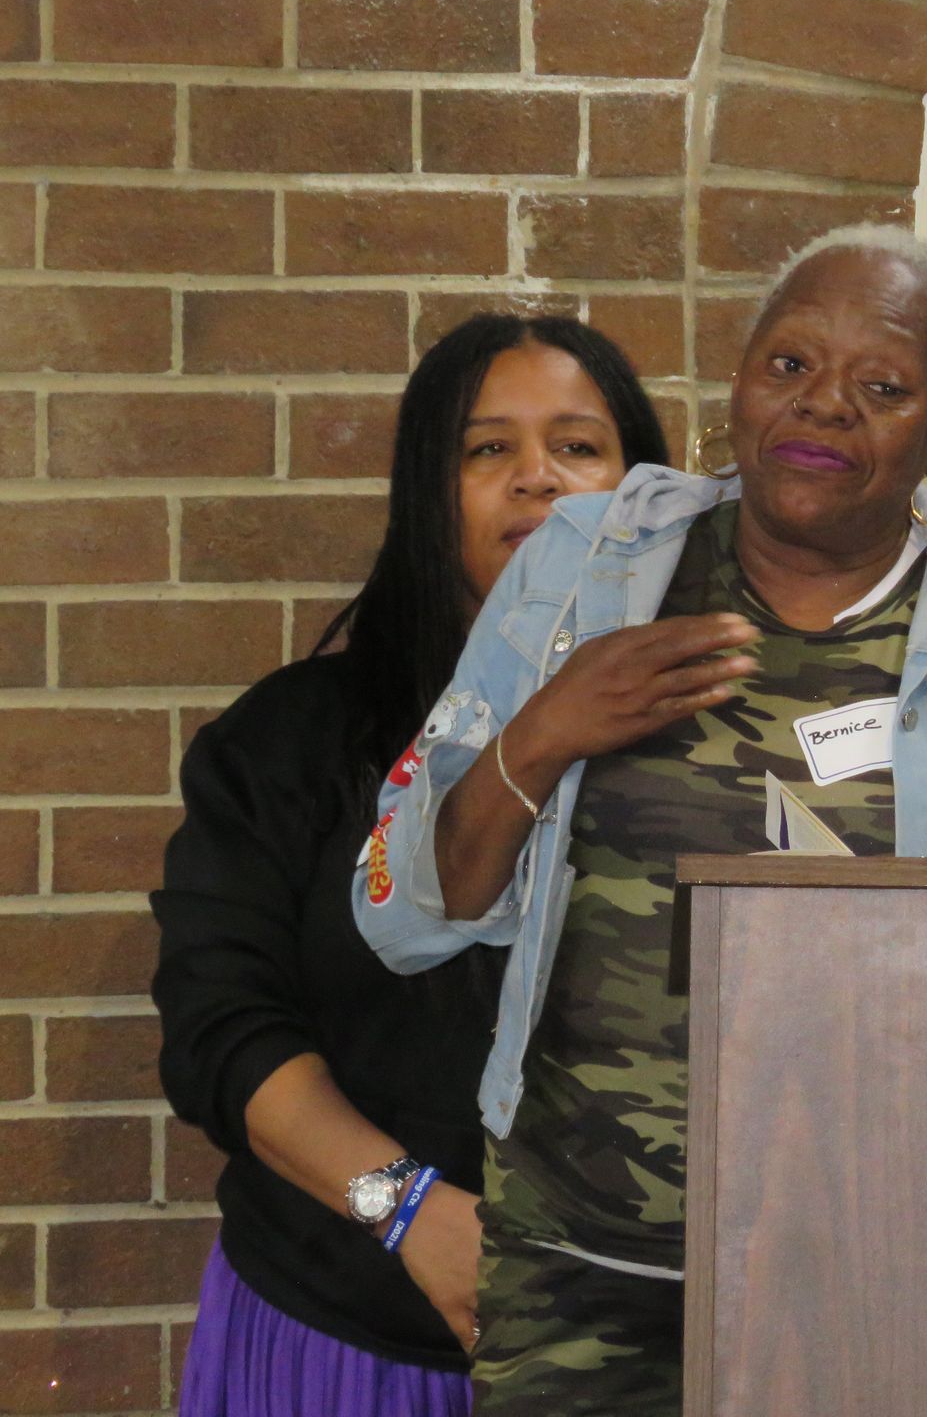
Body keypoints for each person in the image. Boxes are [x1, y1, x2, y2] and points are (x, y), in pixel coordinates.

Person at [354, 225, 927, 1414]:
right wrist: (548, 727)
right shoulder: (588, 562)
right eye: (788, 366)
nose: (822, 406)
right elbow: (407, 913)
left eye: (882, 389)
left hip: (891, 1258)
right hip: (581, 1264)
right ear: (737, 382)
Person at [153, 314, 668, 1416]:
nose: (538, 479)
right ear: (428, 495)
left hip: (640, 1347)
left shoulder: (714, 741)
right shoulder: (291, 740)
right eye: (488, 450)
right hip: (344, 1328)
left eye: (579, 446)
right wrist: (409, 1209)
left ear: (642, 487)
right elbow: (222, 1030)